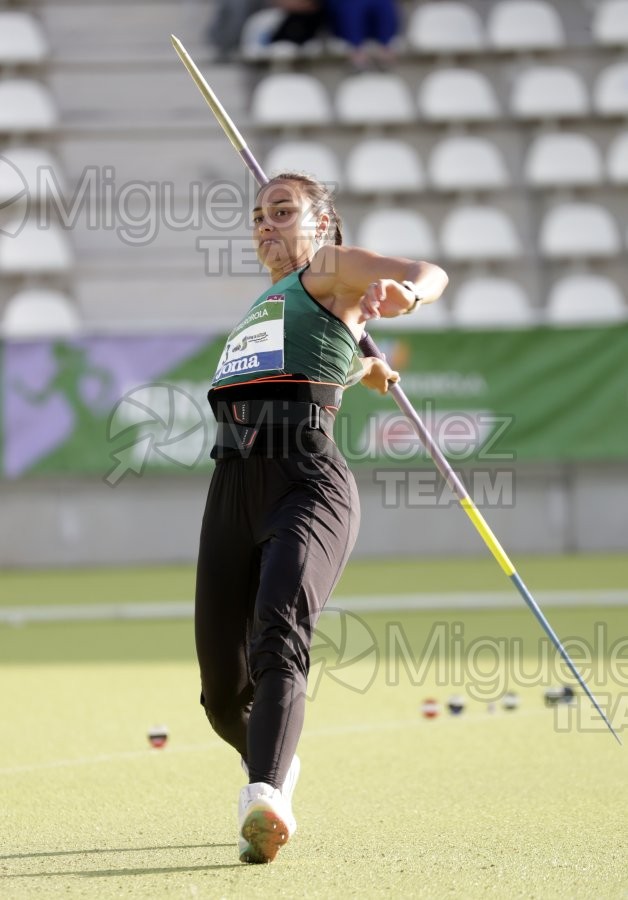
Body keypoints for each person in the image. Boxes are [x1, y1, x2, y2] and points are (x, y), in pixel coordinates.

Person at [195, 173, 448, 864]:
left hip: (306, 481)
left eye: (282, 211)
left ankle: (265, 796)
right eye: (257, 217)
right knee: (220, 696)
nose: (265, 226)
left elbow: (431, 271)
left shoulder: (330, 268)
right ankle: (277, 759)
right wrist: (359, 366)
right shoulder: (267, 302)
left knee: (280, 633)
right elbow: (306, 357)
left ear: (323, 223)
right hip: (232, 485)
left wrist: (407, 294)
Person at [325, 0, 401, 70]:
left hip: (371, 23)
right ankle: (356, 51)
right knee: (352, 6)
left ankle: (386, 47)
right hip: (345, 12)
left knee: (384, 4)